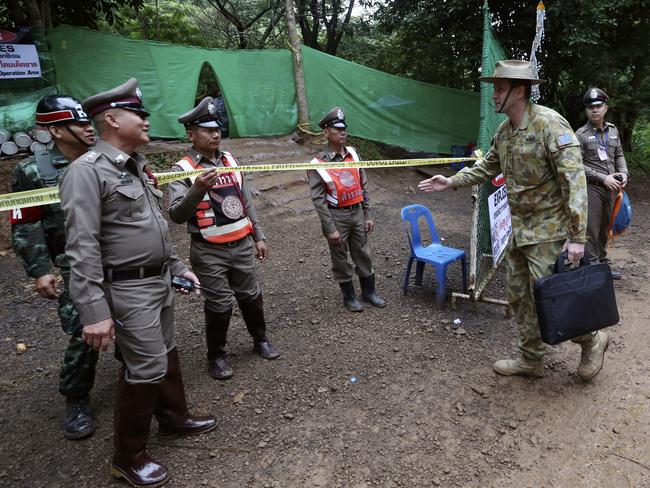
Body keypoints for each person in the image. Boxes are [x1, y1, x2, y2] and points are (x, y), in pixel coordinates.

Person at [59, 79, 216, 487]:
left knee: (165, 351)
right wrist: (93, 312)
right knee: (144, 366)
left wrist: (178, 267)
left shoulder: (137, 167)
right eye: (138, 114)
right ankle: (127, 458)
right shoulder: (86, 172)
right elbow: (81, 247)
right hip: (127, 288)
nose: (147, 120)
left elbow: (157, 228)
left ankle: (174, 419)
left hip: (158, 281)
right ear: (111, 119)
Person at [418, 60, 608, 381]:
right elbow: (487, 167)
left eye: (500, 89)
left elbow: (574, 183)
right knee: (519, 294)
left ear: (519, 92)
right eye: (495, 88)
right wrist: (451, 181)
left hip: (549, 232)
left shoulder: (551, 125)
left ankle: (592, 341)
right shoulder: (504, 132)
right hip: (518, 232)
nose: (494, 95)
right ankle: (531, 358)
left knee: (555, 297)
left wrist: (577, 237)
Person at [168, 96, 280, 381]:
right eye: (207, 129)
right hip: (208, 251)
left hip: (242, 244)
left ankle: (261, 340)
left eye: (217, 127)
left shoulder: (230, 159)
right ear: (191, 134)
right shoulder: (180, 170)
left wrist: (259, 235)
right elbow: (177, 216)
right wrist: (196, 189)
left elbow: (245, 200)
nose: (215, 133)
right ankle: (216, 356)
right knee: (219, 305)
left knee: (251, 297)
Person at [10, 95, 99, 439]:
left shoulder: (103, 160)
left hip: (113, 258)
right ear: (58, 131)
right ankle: (76, 396)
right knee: (83, 331)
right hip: (71, 264)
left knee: (130, 318)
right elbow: (25, 223)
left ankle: (137, 375)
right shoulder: (33, 171)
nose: (89, 129)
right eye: (79, 125)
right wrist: (39, 270)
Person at [307, 107, 386, 312]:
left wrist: (367, 214)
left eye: (344, 129)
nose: (342, 132)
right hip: (336, 215)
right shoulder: (318, 163)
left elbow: (363, 185)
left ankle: (369, 292)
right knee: (340, 257)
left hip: (357, 212)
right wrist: (330, 228)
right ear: (326, 132)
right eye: (337, 129)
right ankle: (349, 297)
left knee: (363, 253)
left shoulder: (353, 154)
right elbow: (318, 200)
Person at [576, 88, 628, 279]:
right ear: (587, 111)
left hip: (612, 188)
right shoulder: (580, 134)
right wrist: (602, 177)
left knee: (605, 228)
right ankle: (593, 271)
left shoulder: (613, 130)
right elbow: (577, 165)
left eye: (598, 106)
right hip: (592, 188)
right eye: (590, 107)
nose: (594, 110)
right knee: (591, 229)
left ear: (605, 108)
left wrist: (624, 172)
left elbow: (619, 154)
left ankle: (602, 264)